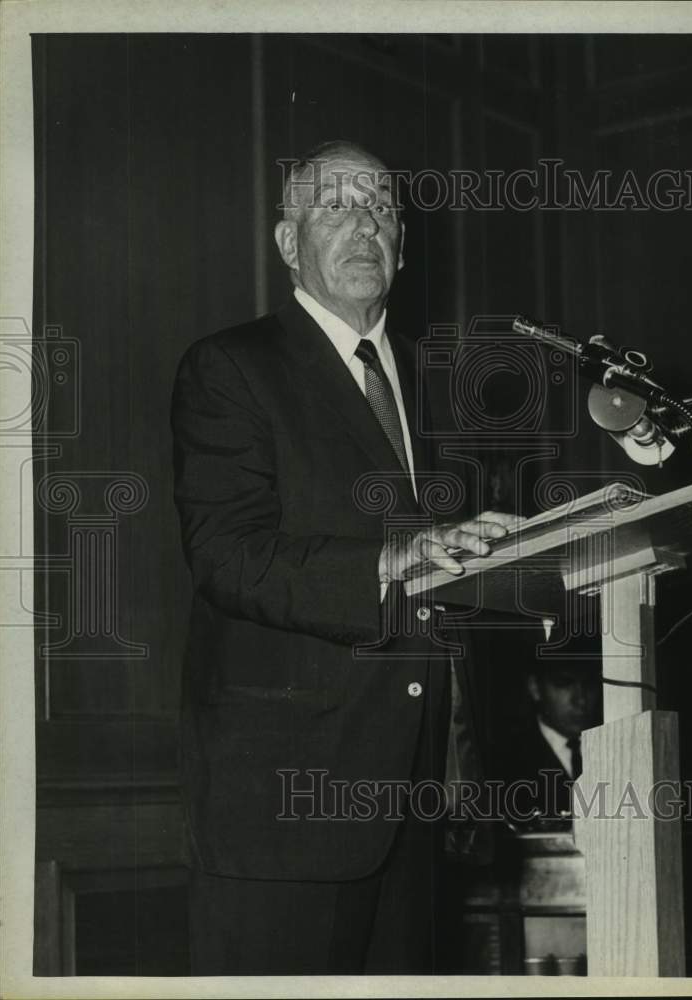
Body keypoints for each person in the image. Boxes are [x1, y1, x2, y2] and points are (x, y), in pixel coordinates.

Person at [171, 139, 523, 974]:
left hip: (416, 794)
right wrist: (393, 559)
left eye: (380, 207)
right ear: (288, 243)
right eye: (334, 205)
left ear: (401, 244)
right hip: (287, 799)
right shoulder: (232, 367)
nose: (363, 223)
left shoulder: (432, 389)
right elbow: (227, 555)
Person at [497, 657, 602, 824]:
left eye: (589, 684)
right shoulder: (503, 761)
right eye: (564, 684)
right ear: (535, 688)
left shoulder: (612, 751)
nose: (581, 700)